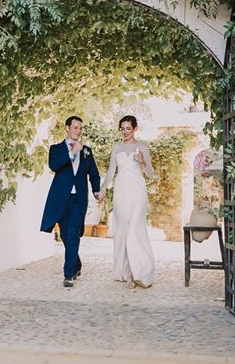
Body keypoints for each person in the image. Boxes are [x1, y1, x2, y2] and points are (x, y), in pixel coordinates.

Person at [40, 116, 101, 287]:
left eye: (80, 128)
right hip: (60, 198)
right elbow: (54, 165)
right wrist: (71, 153)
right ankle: (77, 264)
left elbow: (93, 174)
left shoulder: (87, 151)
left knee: (73, 235)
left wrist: (96, 190)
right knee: (66, 236)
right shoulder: (56, 148)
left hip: (78, 200)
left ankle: (68, 274)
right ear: (67, 129)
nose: (78, 131)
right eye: (75, 127)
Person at [98, 115, 155, 288]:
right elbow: (110, 172)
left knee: (134, 227)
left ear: (135, 129)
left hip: (138, 190)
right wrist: (103, 188)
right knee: (123, 229)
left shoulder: (143, 147)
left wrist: (143, 163)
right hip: (121, 190)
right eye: (122, 128)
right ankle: (125, 269)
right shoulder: (117, 147)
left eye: (128, 128)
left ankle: (135, 271)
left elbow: (151, 174)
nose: (125, 132)